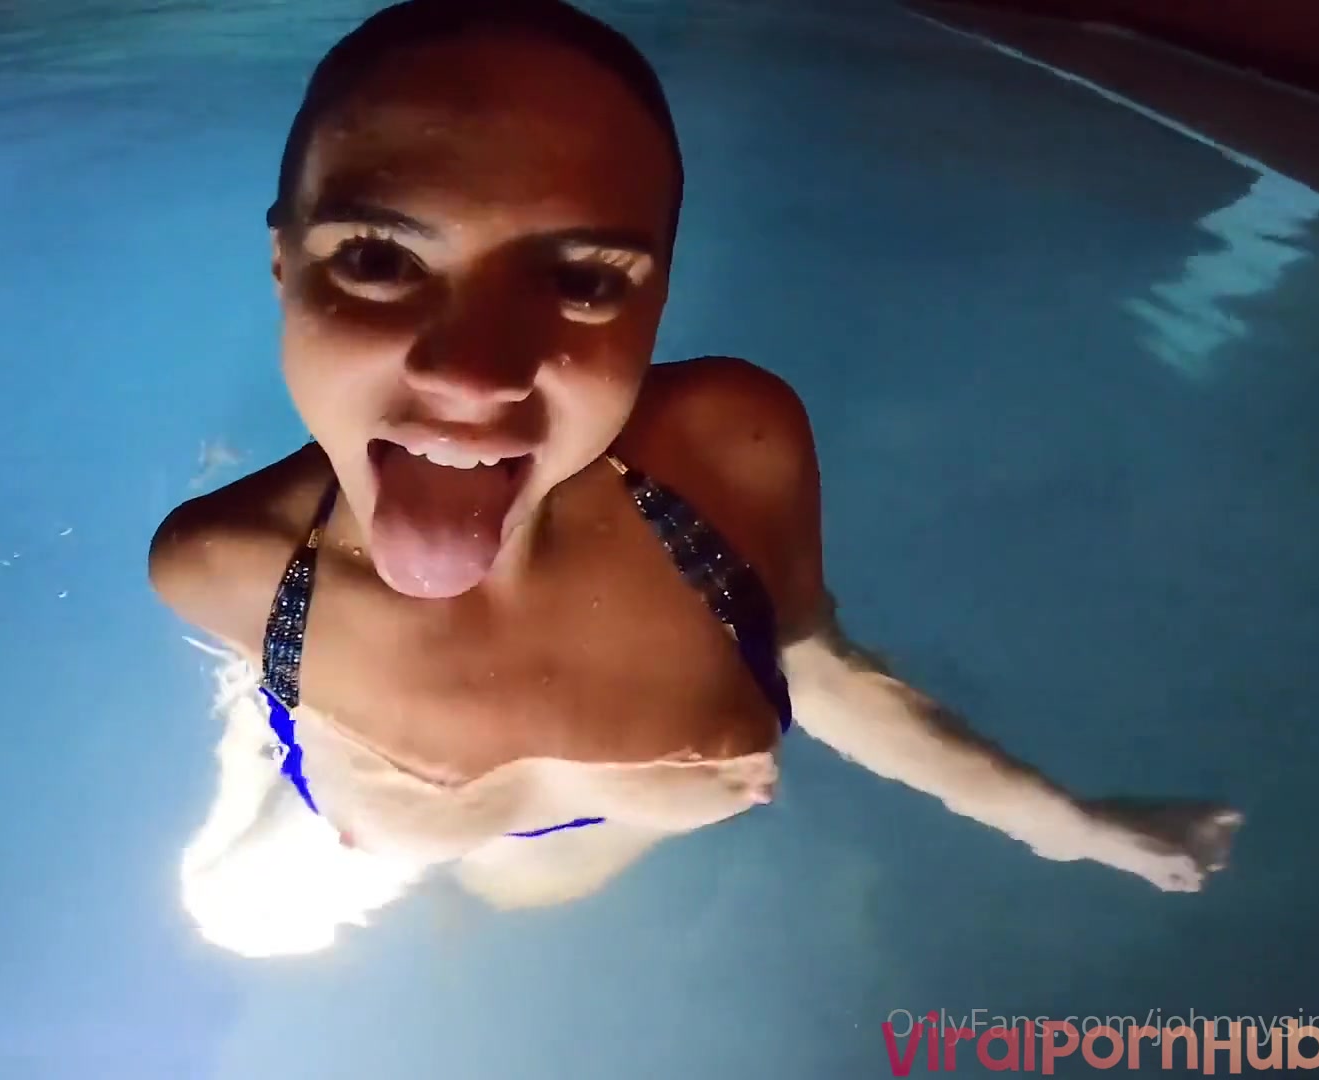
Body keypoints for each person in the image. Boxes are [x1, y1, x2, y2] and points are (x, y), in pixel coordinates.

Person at [148, 0, 1242, 958]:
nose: (473, 378)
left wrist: (1065, 828)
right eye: (379, 260)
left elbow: (818, 666)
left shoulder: (730, 455)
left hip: (579, 854)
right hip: (360, 839)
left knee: (526, 903)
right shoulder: (224, 567)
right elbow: (263, 698)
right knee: (236, 920)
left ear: (658, 303)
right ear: (283, 267)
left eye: (583, 279)